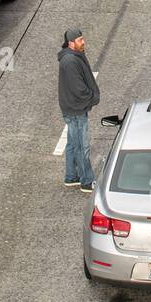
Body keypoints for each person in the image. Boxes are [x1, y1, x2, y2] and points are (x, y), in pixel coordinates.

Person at [58, 28, 99, 193]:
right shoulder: (71, 61)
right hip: (76, 109)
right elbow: (79, 88)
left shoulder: (71, 57)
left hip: (71, 107)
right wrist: (92, 97)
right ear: (71, 43)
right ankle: (87, 181)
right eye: (80, 40)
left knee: (71, 143)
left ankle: (71, 176)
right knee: (82, 146)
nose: (83, 42)